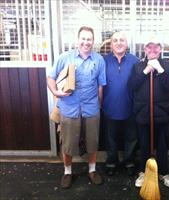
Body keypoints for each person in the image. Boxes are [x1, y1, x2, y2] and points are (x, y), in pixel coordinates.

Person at [47, 26, 106, 189]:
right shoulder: (64, 58)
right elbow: (50, 77)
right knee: (67, 143)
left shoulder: (99, 60)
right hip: (69, 108)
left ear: (93, 41)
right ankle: (67, 172)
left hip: (91, 108)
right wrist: (56, 92)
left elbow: (101, 86)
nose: (86, 42)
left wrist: (99, 105)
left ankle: (92, 170)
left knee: (92, 141)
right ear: (77, 40)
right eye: (83, 39)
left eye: (89, 39)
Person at [128, 36, 169, 188]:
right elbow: (132, 86)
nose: (153, 50)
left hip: (163, 113)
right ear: (145, 49)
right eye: (149, 47)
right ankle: (143, 172)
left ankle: (164, 172)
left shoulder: (168, 66)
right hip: (143, 113)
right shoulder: (138, 66)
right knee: (143, 144)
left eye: (156, 47)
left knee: (162, 145)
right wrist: (146, 71)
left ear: (160, 49)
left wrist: (160, 70)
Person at [102, 31, 139, 176]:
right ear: (111, 44)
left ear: (127, 44)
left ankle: (129, 162)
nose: (118, 43)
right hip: (109, 107)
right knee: (110, 139)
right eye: (115, 40)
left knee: (131, 138)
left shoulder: (135, 61)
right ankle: (111, 162)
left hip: (130, 107)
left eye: (122, 40)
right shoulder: (103, 61)